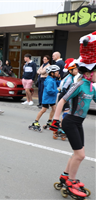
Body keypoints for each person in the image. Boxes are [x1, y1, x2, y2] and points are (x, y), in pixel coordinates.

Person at [50, 32, 96, 200]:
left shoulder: (92, 87)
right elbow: (61, 101)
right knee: (80, 155)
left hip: (78, 123)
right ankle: (71, 181)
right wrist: (55, 121)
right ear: (89, 72)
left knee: (77, 153)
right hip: (69, 121)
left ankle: (65, 175)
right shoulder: (79, 84)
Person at [28, 65, 60, 132]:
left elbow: (57, 84)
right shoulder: (50, 80)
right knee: (43, 110)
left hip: (51, 98)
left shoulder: (52, 79)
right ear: (52, 73)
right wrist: (57, 91)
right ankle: (36, 121)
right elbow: (49, 90)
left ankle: (49, 121)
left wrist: (58, 80)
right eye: (56, 71)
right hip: (47, 98)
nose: (58, 72)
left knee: (54, 108)